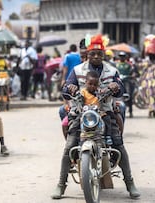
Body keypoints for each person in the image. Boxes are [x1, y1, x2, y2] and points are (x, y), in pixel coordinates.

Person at [51, 34, 140, 199]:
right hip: (81, 114)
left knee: (118, 145)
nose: (96, 56)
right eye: (93, 53)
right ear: (88, 53)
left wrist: (115, 86)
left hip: (105, 112)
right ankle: (61, 185)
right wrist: (69, 88)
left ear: (104, 54)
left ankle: (130, 183)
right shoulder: (78, 70)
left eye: (100, 53)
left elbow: (121, 89)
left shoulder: (112, 70)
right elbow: (65, 87)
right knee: (69, 146)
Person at [139, 53, 155, 118]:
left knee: (149, 98)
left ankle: (151, 111)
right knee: (153, 97)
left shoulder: (146, 66)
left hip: (146, 85)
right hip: (154, 85)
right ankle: (152, 111)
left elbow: (141, 73)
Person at [116, 51, 139, 118]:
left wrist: (132, 75)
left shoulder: (128, 65)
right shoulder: (116, 65)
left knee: (129, 95)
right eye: (120, 56)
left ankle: (131, 112)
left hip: (126, 81)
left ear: (125, 57)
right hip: (119, 81)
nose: (122, 58)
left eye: (123, 56)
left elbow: (133, 72)